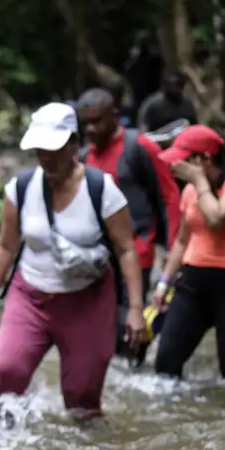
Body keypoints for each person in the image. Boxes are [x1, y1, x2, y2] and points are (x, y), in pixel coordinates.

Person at [0, 102, 146, 422]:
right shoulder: (21, 189)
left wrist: (135, 310)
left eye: (54, 149)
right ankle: (2, 444)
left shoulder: (101, 189)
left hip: (89, 301)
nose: (46, 157)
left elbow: (126, 249)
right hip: (31, 295)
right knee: (8, 370)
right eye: (40, 149)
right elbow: (5, 246)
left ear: (74, 145)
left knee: (82, 397)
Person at [152, 125, 225, 385]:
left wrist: (199, 181)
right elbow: (181, 241)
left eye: (185, 160)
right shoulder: (190, 191)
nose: (177, 166)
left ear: (204, 159)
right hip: (193, 282)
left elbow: (218, 218)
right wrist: (164, 283)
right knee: (166, 363)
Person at [77, 88, 182, 295]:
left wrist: (173, 248)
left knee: (129, 319)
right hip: (98, 256)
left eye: (97, 121)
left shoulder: (139, 146)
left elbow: (169, 196)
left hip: (137, 250)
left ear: (114, 115)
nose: (90, 129)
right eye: (85, 123)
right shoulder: (83, 157)